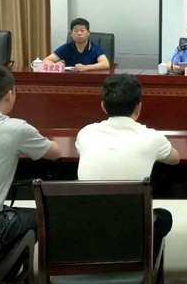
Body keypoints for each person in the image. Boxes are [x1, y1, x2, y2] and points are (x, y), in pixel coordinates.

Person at [76, 74, 180, 254]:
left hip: (89, 228)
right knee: (163, 217)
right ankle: (145, 261)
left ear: (103, 106)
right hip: (133, 233)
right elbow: (175, 159)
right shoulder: (152, 137)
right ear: (138, 107)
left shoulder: (85, 133)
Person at [0, 67, 61, 255]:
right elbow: (55, 153)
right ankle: (2, 267)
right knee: (44, 215)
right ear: (9, 95)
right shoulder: (16, 129)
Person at [43, 18, 110, 72]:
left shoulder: (95, 48)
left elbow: (105, 64)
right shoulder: (66, 48)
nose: (79, 33)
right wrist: (57, 66)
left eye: (82, 30)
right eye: (76, 31)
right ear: (71, 34)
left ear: (88, 33)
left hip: (90, 80)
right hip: (69, 80)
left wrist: (86, 67)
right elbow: (46, 60)